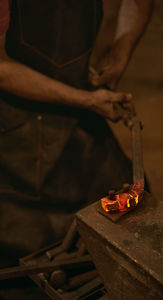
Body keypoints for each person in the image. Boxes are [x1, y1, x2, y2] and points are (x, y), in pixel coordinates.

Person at [0, 0, 153, 263]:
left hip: (78, 108)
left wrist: (119, 57)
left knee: (131, 205)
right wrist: (87, 100)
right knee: (27, 238)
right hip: (14, 120)